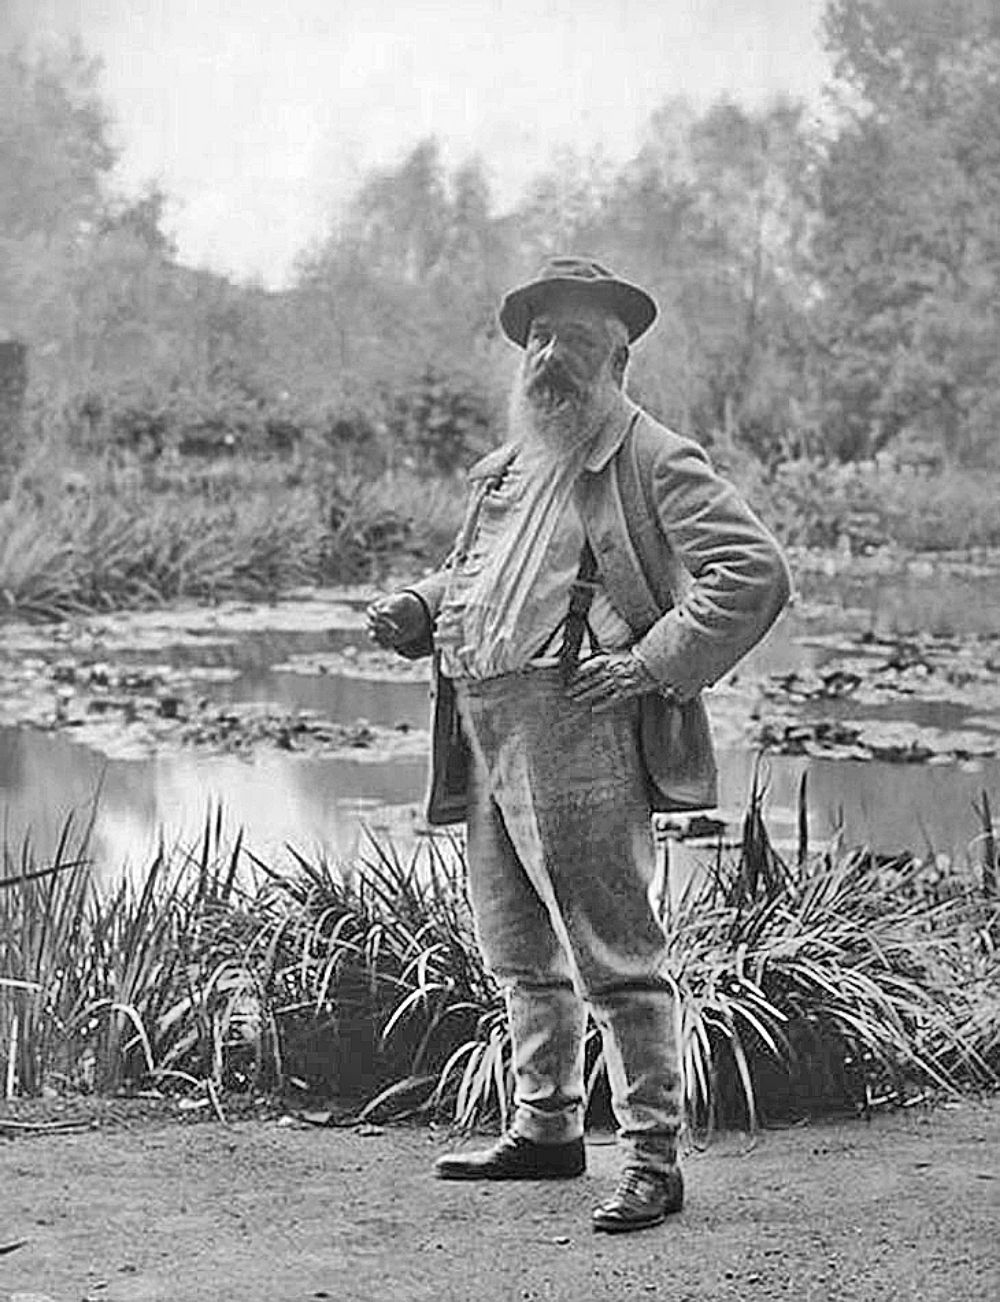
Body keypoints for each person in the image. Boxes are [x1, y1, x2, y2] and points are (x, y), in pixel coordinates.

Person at [366, 255, 792, 1233]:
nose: (550, 357)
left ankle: (651, 1160)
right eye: (539, 338)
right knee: (516, 944)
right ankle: (547, 1128)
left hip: (579, 724)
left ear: (619, 357)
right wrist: (418, 607)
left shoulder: (653, 457)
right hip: (484, 724)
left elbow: (753, 572)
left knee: (615, 954)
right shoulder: (508, 467)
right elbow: (482, 577)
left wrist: (650, 663)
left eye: (576, 340)